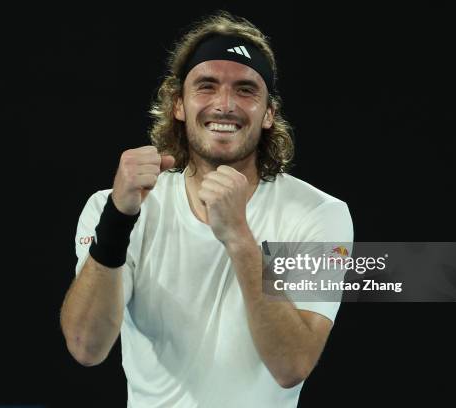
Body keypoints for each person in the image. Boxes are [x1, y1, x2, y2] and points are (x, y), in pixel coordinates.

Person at [60, 11, 353, 408]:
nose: (225, 104)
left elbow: (291, 364)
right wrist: (117, 220)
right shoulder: (111, 207)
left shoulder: (318, 214)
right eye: (207, 86)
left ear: (269, 114)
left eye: (246, 89)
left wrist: (239, 237)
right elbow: (85, 347)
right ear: (178, 104)